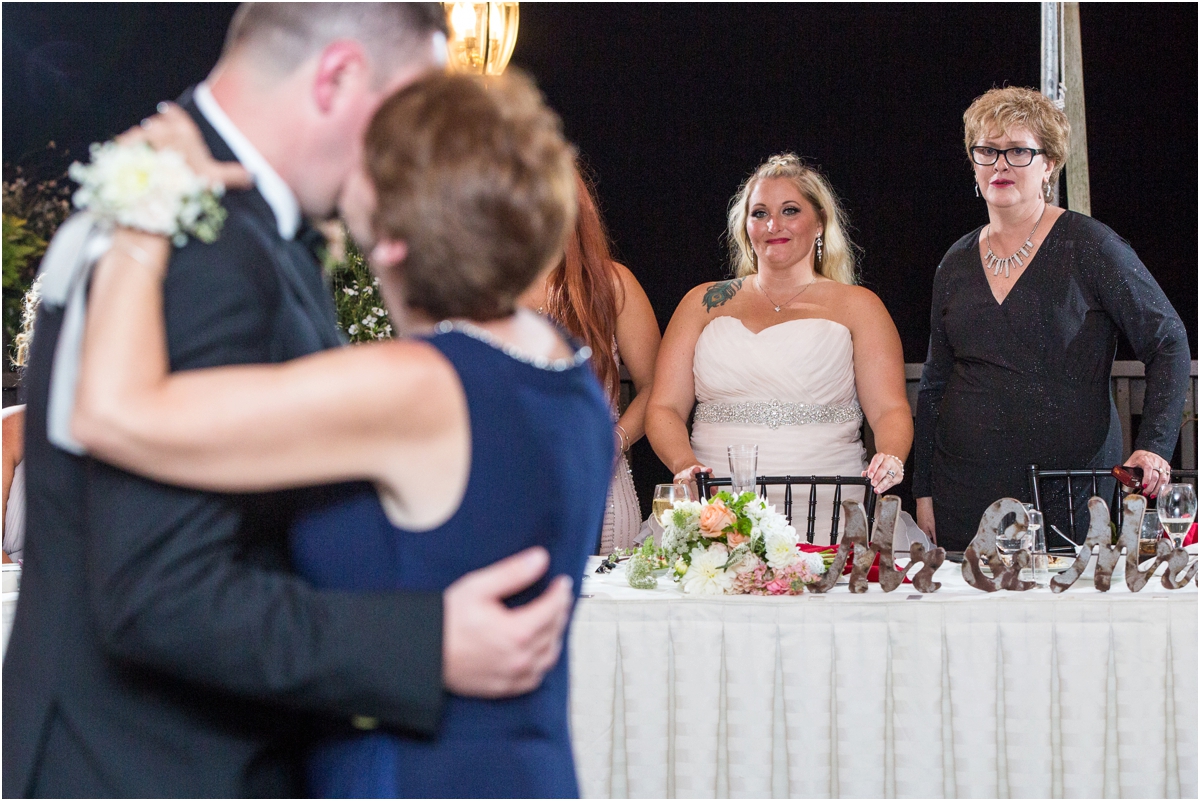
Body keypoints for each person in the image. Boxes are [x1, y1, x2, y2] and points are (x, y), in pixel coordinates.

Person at [3, 6, 576, 797]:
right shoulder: (201, 245)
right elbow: (159, 592)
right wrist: (421, 641)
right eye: (407, 109)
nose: (408, 149)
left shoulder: (227, 224)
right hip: (150, 768)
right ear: (337, 76)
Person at [913, 86, 1191, 551]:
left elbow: (1168, 341)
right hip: (964, 492)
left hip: (1070, 491)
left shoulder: (1091, 246)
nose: (1001, 164)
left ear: (1048, 166)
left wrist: (1156, 447)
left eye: (1019, 151)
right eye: (987, 150)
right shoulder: (955, 262)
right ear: (974, 163)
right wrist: (923, 490)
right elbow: (935, 382)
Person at [645, 154, 912, 545]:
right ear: (745, 226)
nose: (774, 226)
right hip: (718, 510)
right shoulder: (701, 302)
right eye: (760, 213)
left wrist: (890, 455)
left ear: (819, 222)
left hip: (831, 510)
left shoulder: (859, 306)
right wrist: (685, 466)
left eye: (790, 211)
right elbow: (664, 407)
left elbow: (890, 409)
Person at [519, 165, 661, 553]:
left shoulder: (613, 284)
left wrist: (614, 441)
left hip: (599, 483)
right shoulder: (486, 290)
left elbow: (657, 389)